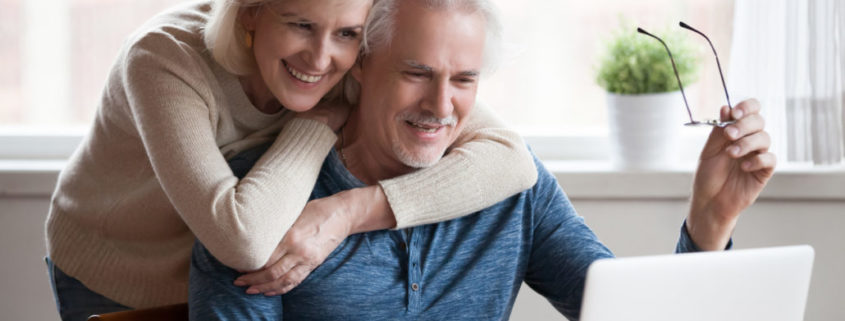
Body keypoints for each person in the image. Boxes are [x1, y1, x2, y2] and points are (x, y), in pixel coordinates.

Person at [188, 0, 776, 319]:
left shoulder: (515, 189)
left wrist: (709, 223)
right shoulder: (262, 202)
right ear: (361, 65)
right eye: (416, 73)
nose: (440, 106)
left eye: (464, 79)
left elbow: (628, 313)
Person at [43, 0, 540, 319]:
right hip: (122, 266)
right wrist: (315, 125)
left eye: (347, 33)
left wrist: (348, 211)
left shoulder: (349, 60)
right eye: (301, 24)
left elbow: (513, 161)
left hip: (224, 267)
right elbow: (242, 239)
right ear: (251, 15)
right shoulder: (164, 58)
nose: (321, 59)